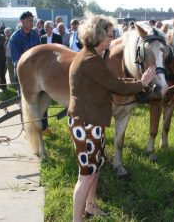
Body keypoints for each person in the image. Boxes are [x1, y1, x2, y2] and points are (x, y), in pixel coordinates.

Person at [67, 14, 156, 222]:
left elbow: (111, 80)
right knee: (86, 175)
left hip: (92, 122)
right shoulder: (90, 60)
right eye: (109, 35)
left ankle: (90, 207)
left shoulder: (91, 57)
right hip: (85, 123)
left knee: (96, 166)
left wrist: (136, 80)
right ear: (98, 35)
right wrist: (142, 83)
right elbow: (116, 86)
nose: (112, 38)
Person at [10, 11, 40, 79]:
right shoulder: (15, 37)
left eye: (32, 21)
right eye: (29, 21)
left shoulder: (35, 34)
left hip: (36, 69)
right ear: (22, 21)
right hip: (22, 70)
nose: (32, 23)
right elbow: (16, 59)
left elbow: (39, 51)